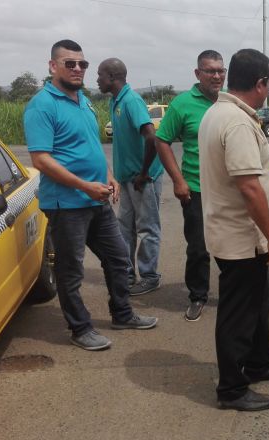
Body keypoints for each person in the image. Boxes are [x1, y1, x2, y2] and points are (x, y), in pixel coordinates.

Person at [24, 40, 157, 351]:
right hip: (67, 204)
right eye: (69, 63)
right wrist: (85, 186)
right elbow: (41, 159)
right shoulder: (42, 104)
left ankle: (122, 314)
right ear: (52, 66)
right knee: (71, 271)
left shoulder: (82, 100)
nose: (78, 69)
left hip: (95, 199)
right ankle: (80, 328)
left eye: (82, 64)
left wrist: (108, 176)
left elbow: (91, 146)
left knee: (119, 257)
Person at [198, 48, 269, 411]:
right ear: (260, 83)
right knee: (238, 313)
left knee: (257, 305)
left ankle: (258, 364)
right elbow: (249, 187)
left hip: (238, 236)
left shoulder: (222, 113)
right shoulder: (237, 122)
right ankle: (232, 389)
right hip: (240, 238)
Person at [144, 50, 225, 321]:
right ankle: (198, 296)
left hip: (229, 191)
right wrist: (178, 181)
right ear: (197, 73)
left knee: (231, 245)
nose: (216, 75)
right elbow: (161, 140)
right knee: (199, 247)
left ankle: (231, 296)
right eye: (210, 70)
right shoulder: (182, 103)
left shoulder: (230, 101)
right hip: (196, 189)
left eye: (220, 70)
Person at [96, 58, 164, 296]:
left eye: (100, 75)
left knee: (147, 228)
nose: (97, 80)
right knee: (125, 228)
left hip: (142, 179)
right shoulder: (115, 101)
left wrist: (144, 173)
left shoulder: (132, 100)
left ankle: (150, 276)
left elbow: (151, 137)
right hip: (126, 179)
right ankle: (126, 273)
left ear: (113, 77)